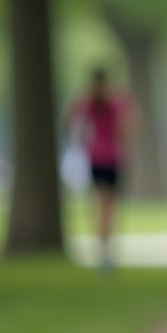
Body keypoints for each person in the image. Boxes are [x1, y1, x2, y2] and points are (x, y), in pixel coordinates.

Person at [66, 68, 135, 272]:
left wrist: (81, 142)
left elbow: (69, 120)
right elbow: (129, 127)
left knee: (99, 205)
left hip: (95, 157)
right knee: (109, 206)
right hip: (112, 158)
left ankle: (102, 249)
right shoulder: (115, 101)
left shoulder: (87, 101)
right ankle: (106, 250)